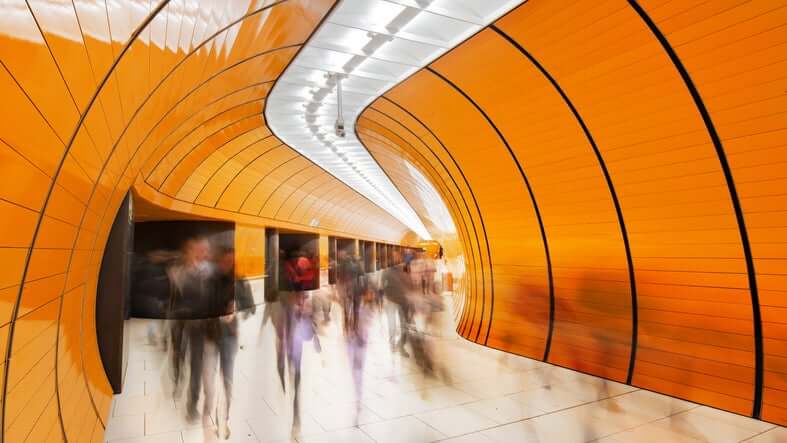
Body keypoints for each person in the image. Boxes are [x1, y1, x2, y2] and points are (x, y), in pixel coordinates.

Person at [166, 237, 214, 422]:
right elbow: (172, 299)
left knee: (196, 364)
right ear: (188, 252)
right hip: (178, 322)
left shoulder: (206, 273)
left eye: (202, 250)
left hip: (198, 327)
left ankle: (191, 406)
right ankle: (177, 377)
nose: (201, 254)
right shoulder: (175, 272)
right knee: (178, 354)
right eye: (196, 250)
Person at [284, 291, 321, 430]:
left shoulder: (308, 298)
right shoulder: (288, 298)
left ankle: (296, 385)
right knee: (291, 363)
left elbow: (313, 317)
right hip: (290, 337)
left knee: (297, 368)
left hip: (298, 337)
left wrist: (304, 311)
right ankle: (293, 379)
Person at [382, 263, 411, 356]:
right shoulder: (387, 271)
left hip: (401, 301)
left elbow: (407, 284)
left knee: (404, 325)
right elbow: (383, 286)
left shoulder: (403, 270)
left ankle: (400, 345)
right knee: (392, 324)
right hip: (391, 301)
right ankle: (393, 344)